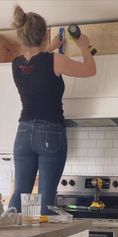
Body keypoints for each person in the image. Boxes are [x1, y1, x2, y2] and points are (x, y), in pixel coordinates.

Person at [8, 5, 96, 215]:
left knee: (20, 191)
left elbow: (35, 62)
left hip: (23, 133)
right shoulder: (56, 61)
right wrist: (84, 46)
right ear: (44, 35)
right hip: (50, 132)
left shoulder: (16, 64)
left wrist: (50, 47)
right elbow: (90, 69)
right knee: (47, 196)